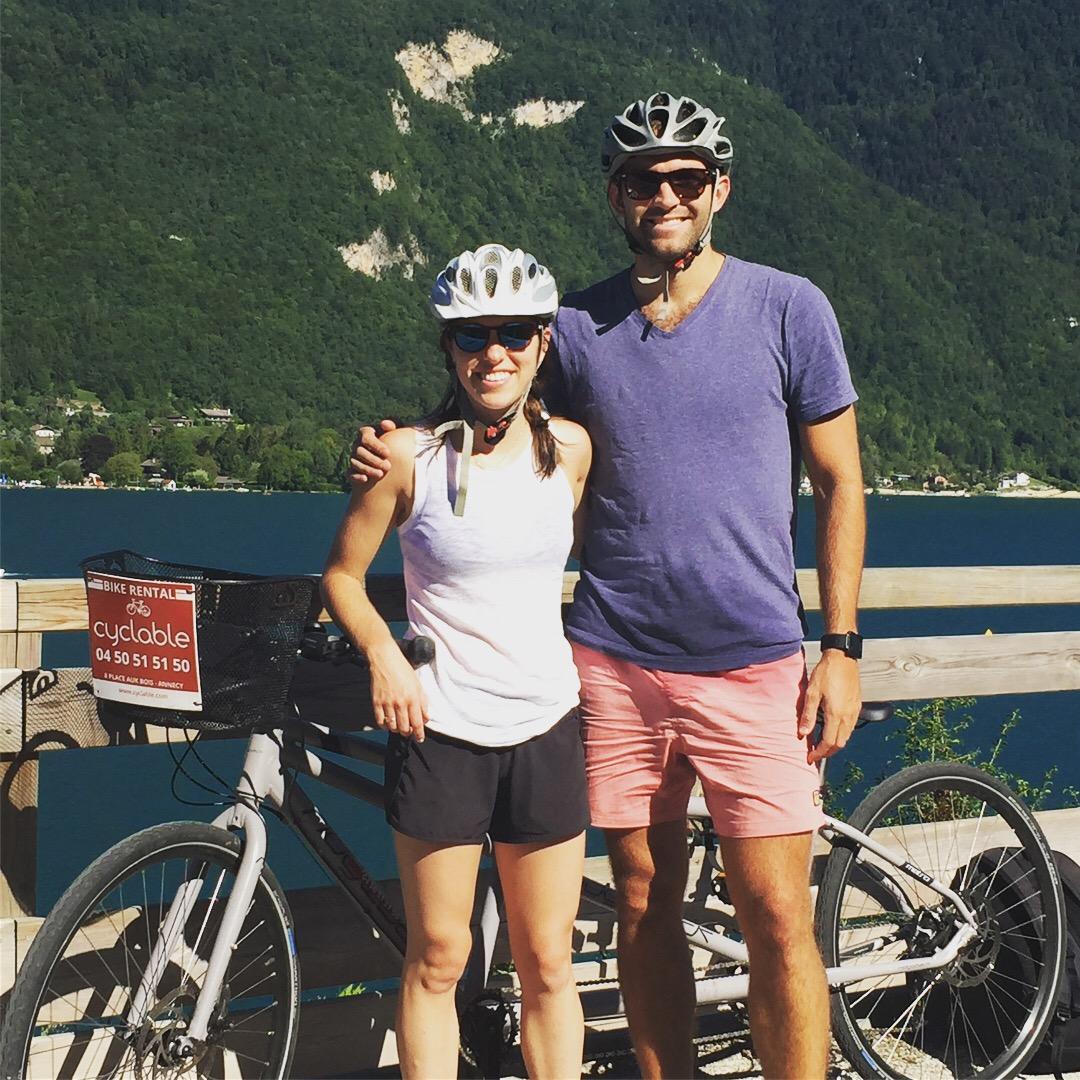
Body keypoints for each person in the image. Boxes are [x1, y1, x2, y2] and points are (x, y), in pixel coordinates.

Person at [352, 92, 865, 1080]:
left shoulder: (788, 307)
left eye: (684, 178)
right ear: (615, 196)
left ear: (718, 188)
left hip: (754, 661)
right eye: (642, 180)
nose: (664, 195)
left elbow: (842, 482)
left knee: (775, 917)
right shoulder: (576, 327)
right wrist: (376, 448)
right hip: (613, 664)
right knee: (638, 899)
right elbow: (479, 408)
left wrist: (839, 649)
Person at [323, 243, 592, 1080]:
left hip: (547, 722)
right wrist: (382, 655)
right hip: (442, 728)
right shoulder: (408, 459)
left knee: (547, 962)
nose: (494, 352)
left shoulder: (573, 452)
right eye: (473, 335)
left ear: (543, 344)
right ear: (448, 347)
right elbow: (343, 576)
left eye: (514, 332)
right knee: (439, 957)